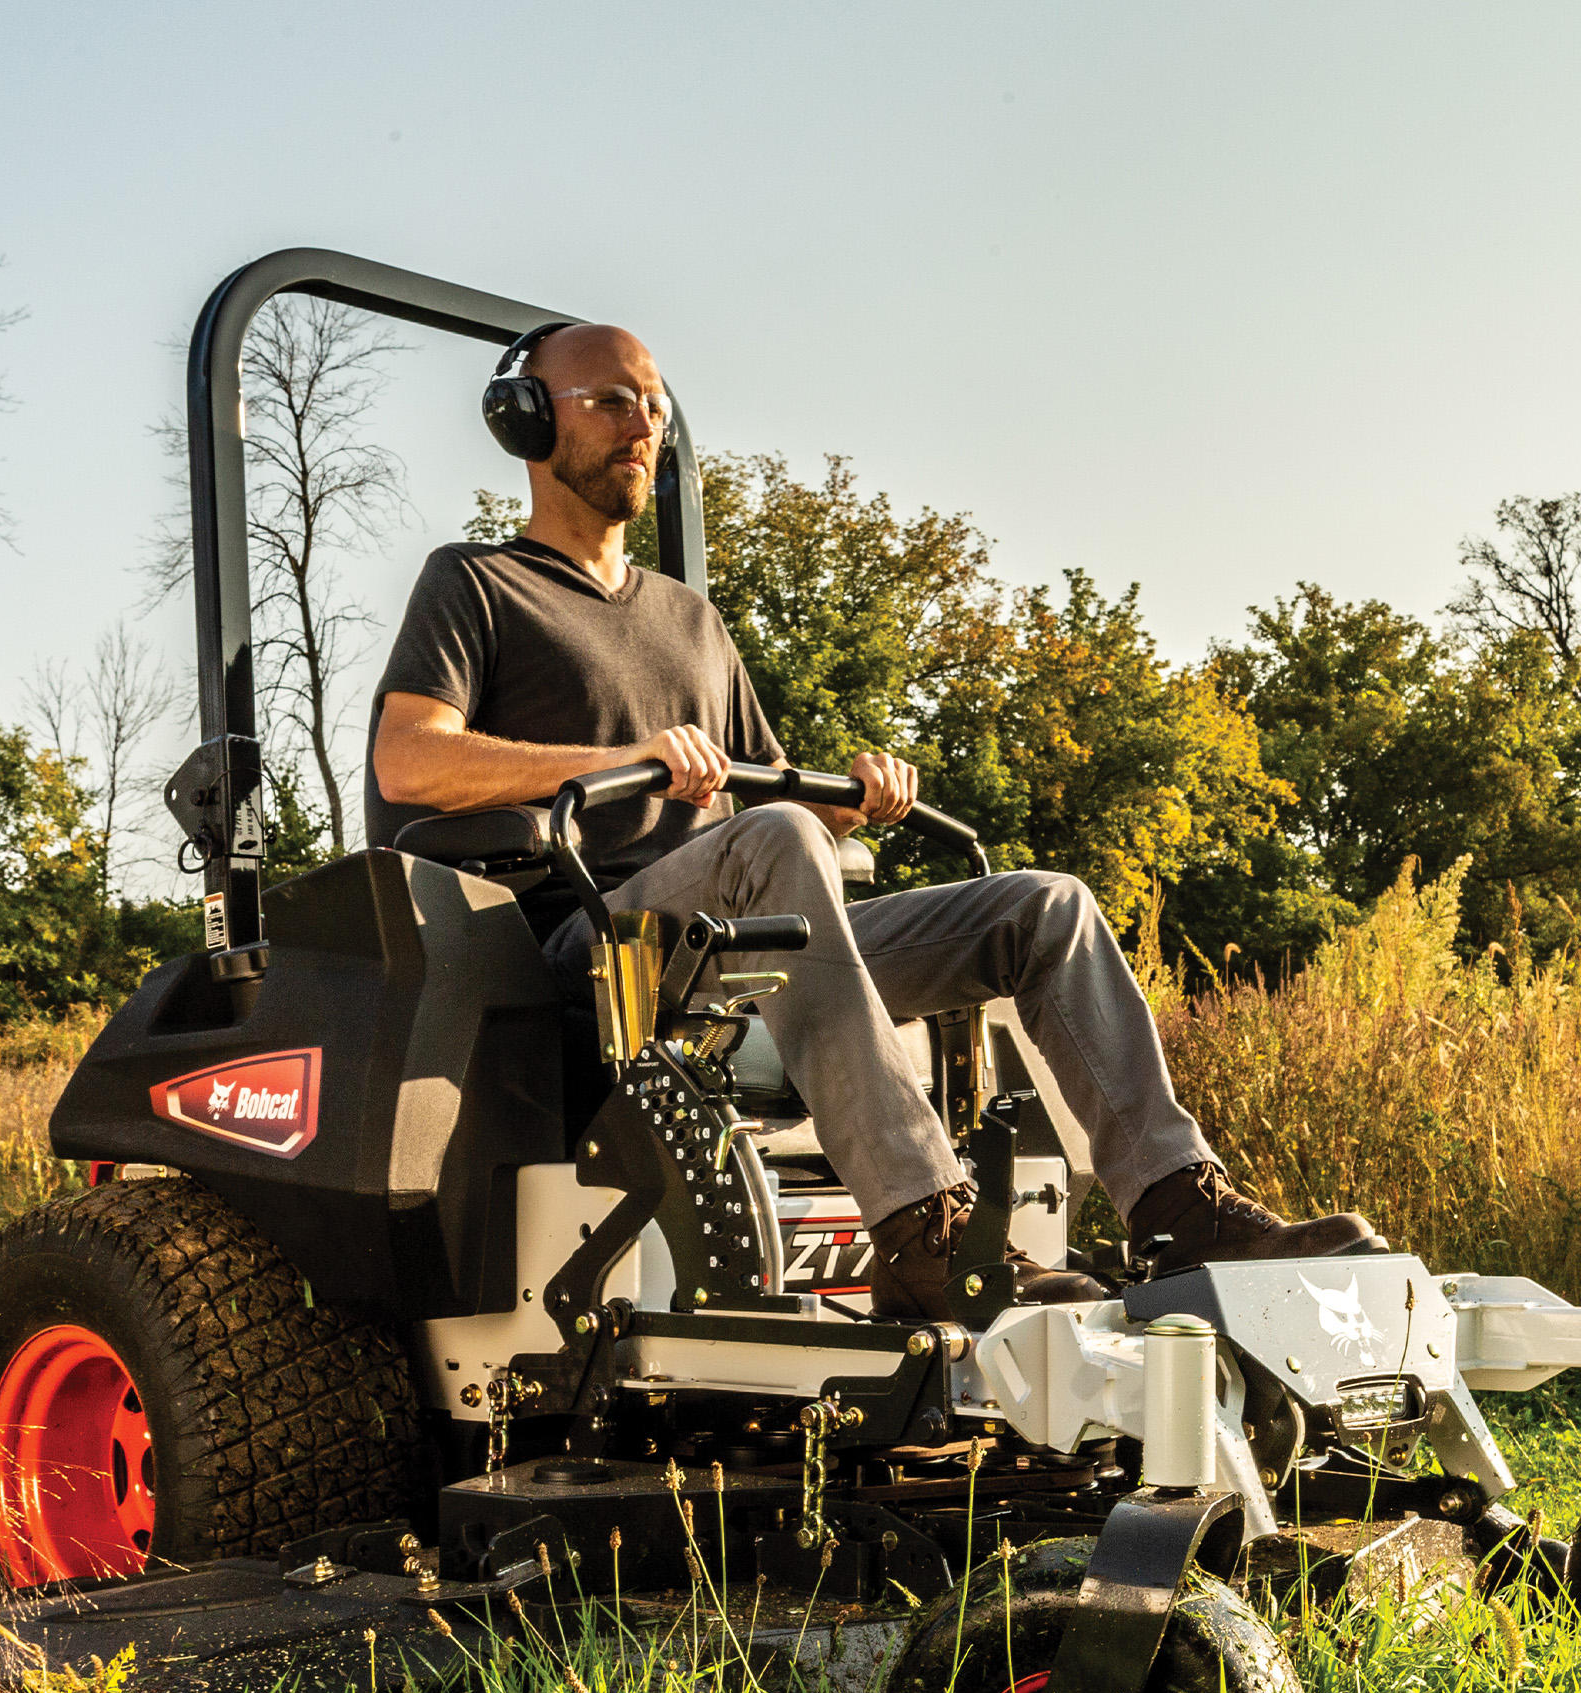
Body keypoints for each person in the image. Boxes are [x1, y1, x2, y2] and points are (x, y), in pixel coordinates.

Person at [365, 323, 1382, 1322]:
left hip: (743, 940)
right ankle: (921, 1231)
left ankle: (1175, 1208)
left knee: (1044, 907)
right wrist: (622, 762)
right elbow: (408, 757)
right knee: (776, 844)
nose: (644, 424)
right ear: (527, 418)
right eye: (610, 400)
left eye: (654, 401)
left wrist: (843, 794)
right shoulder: (478, 583)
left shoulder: (690, 619)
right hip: (595, 953)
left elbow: (761, 801)